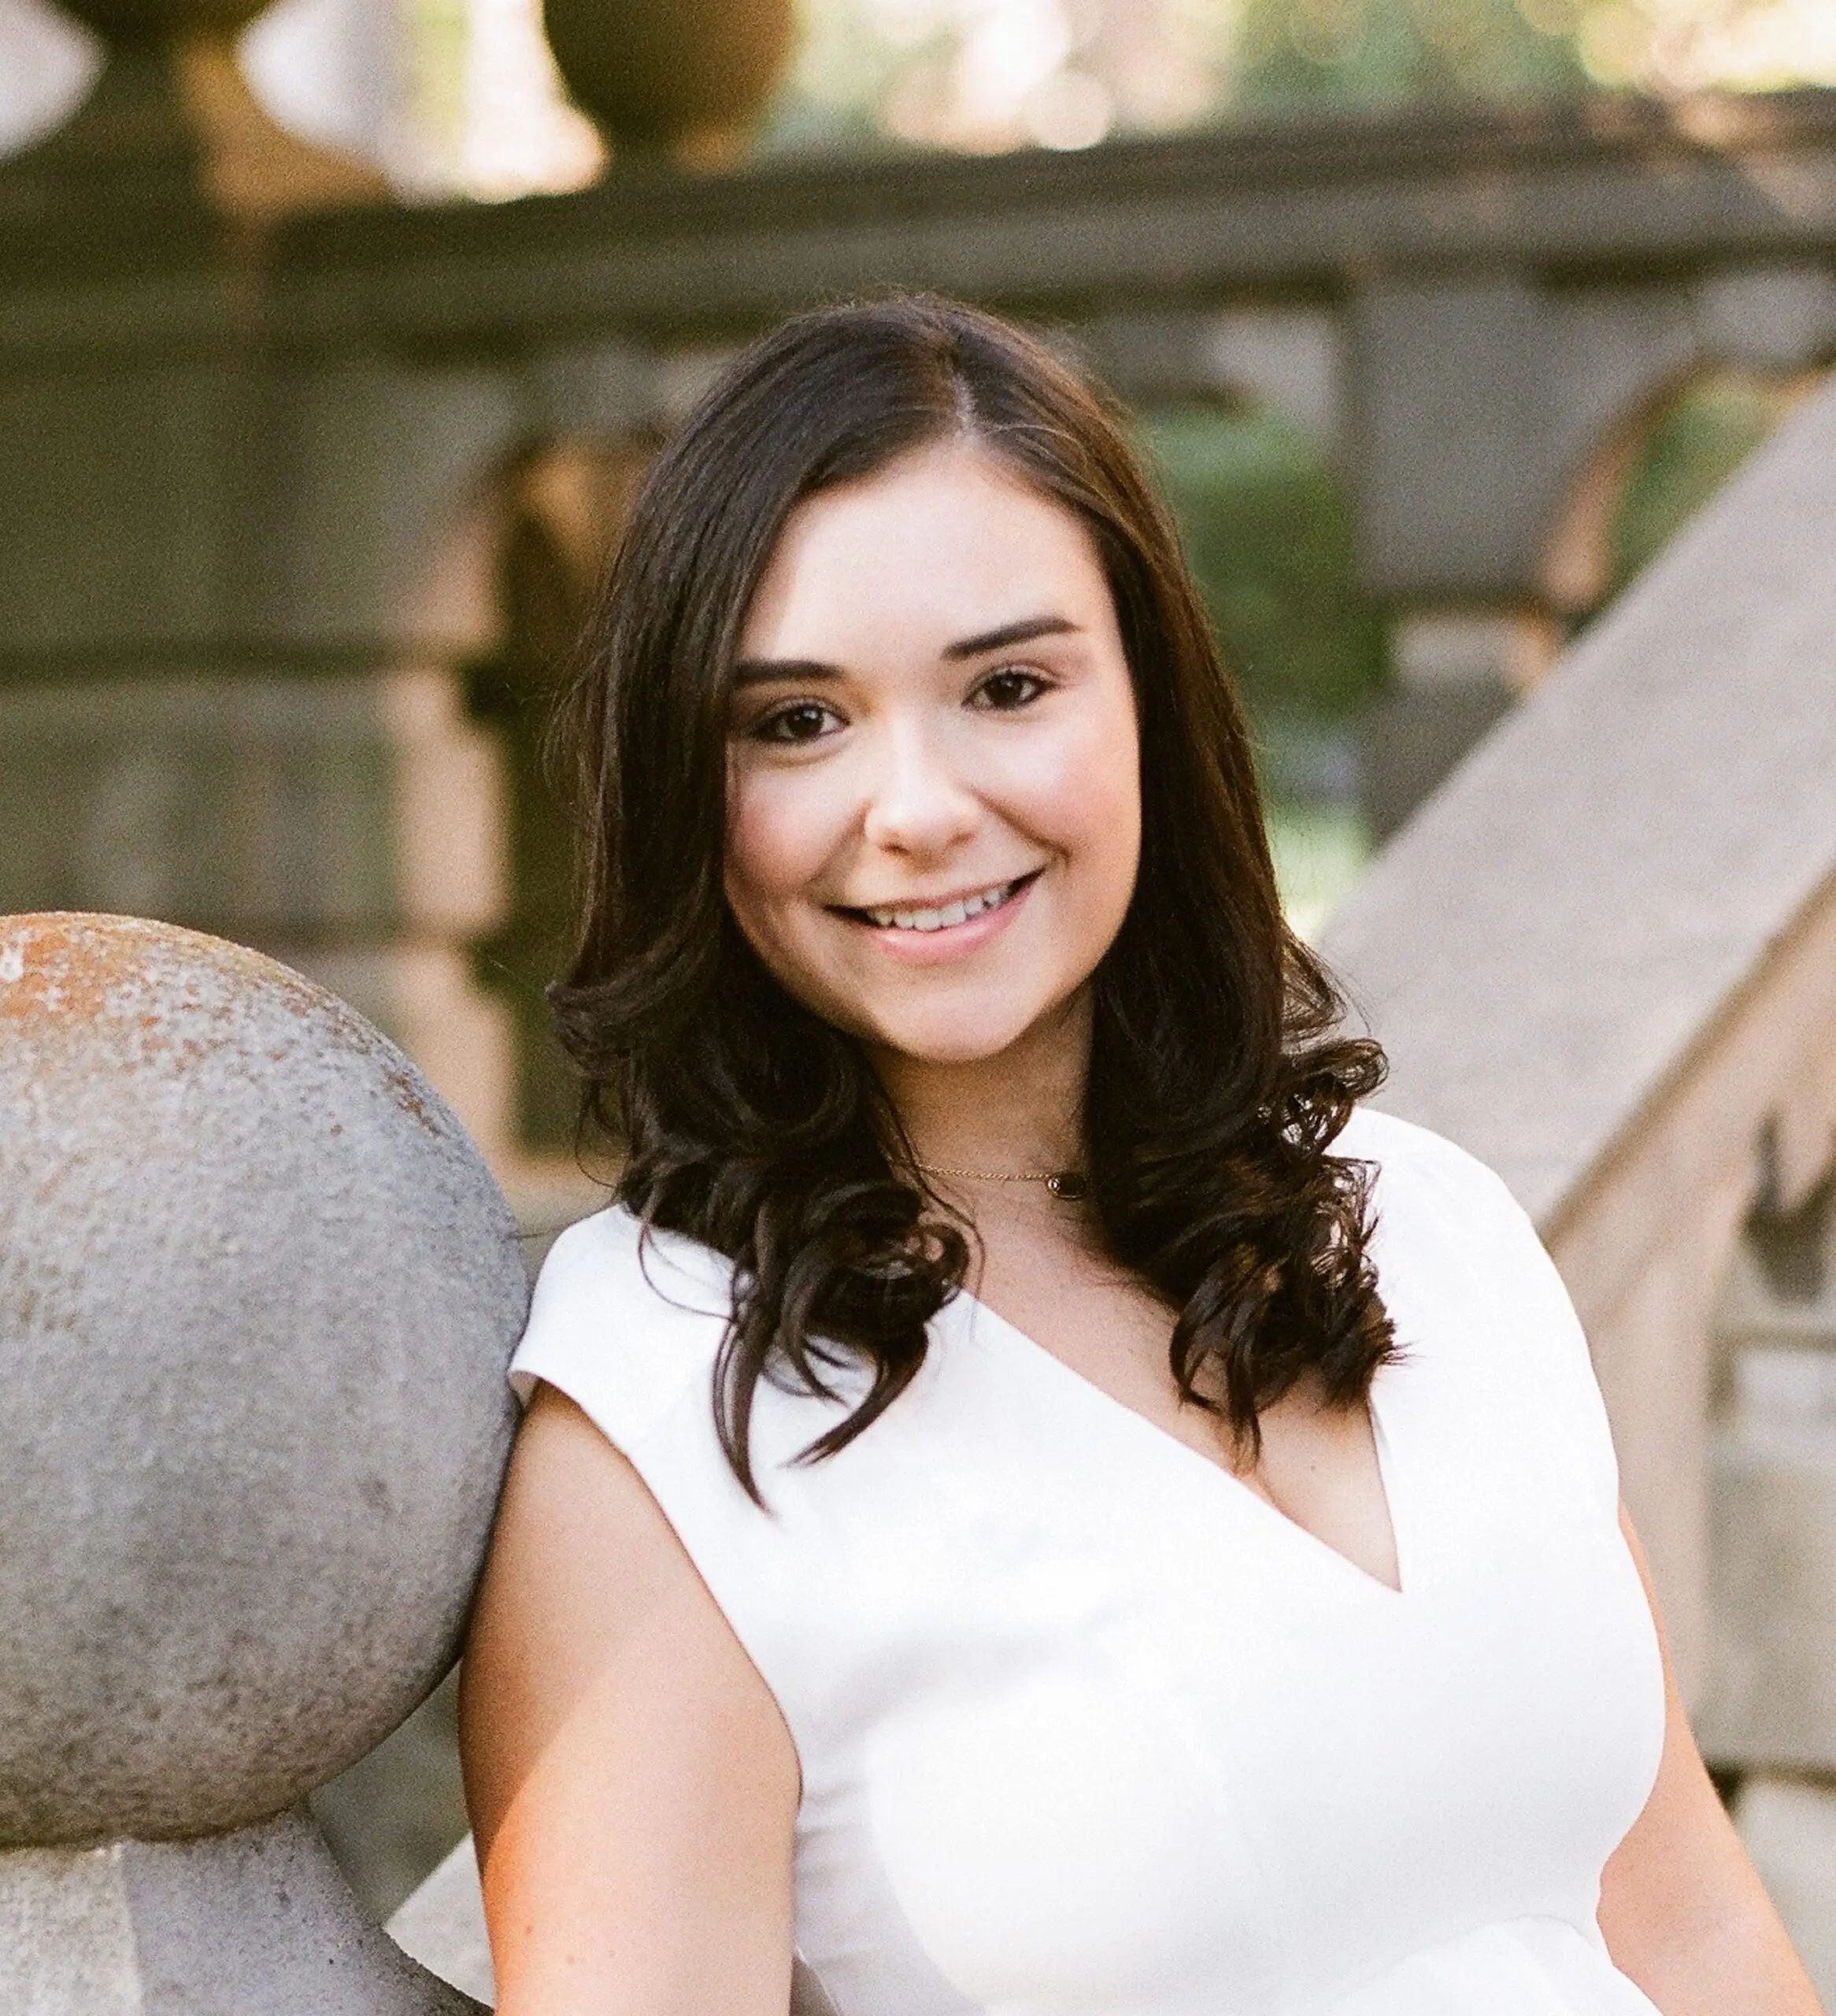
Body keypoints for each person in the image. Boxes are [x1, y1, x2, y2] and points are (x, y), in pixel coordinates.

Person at [458, 296, 1818, 2016]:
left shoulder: (1429, 1228)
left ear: (1148, 704)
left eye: (1007, 685)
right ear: (687, 786)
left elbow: (1683, 1922)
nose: (918, 804)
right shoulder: (667, 1413)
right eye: (796, 722)